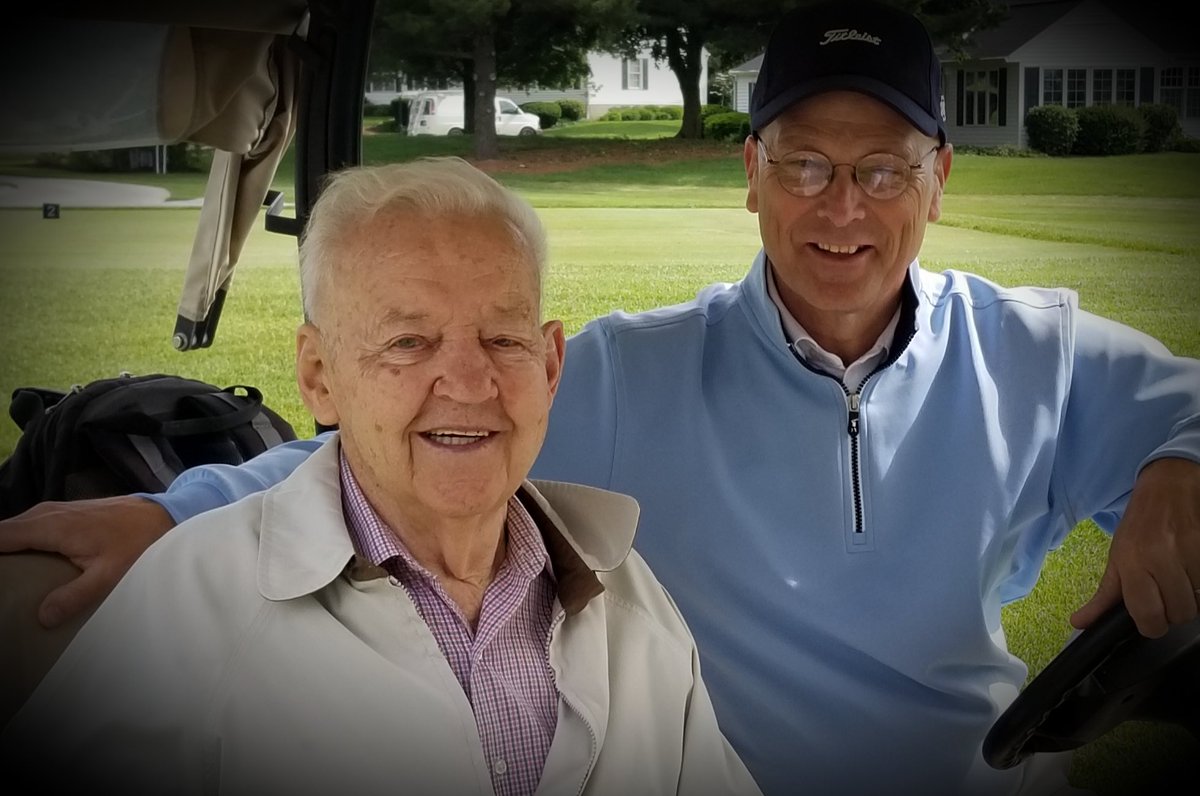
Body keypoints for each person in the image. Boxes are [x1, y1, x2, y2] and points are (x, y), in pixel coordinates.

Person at [2, 1, 1199, 793]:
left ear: (937, 178)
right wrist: (173, 514)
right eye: (806, 165)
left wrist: (1178, 463)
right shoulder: (625, 371)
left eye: (884, 168)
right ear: (752, 177)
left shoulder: (1040, 352)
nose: (844, 207)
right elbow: (385, 447)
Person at [0, 158, 761, 796]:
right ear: (319, 375)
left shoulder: (626, 586)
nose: (468, 382)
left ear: (552, 364)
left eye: (502, 337)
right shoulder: (189, 607)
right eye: (407, 342)